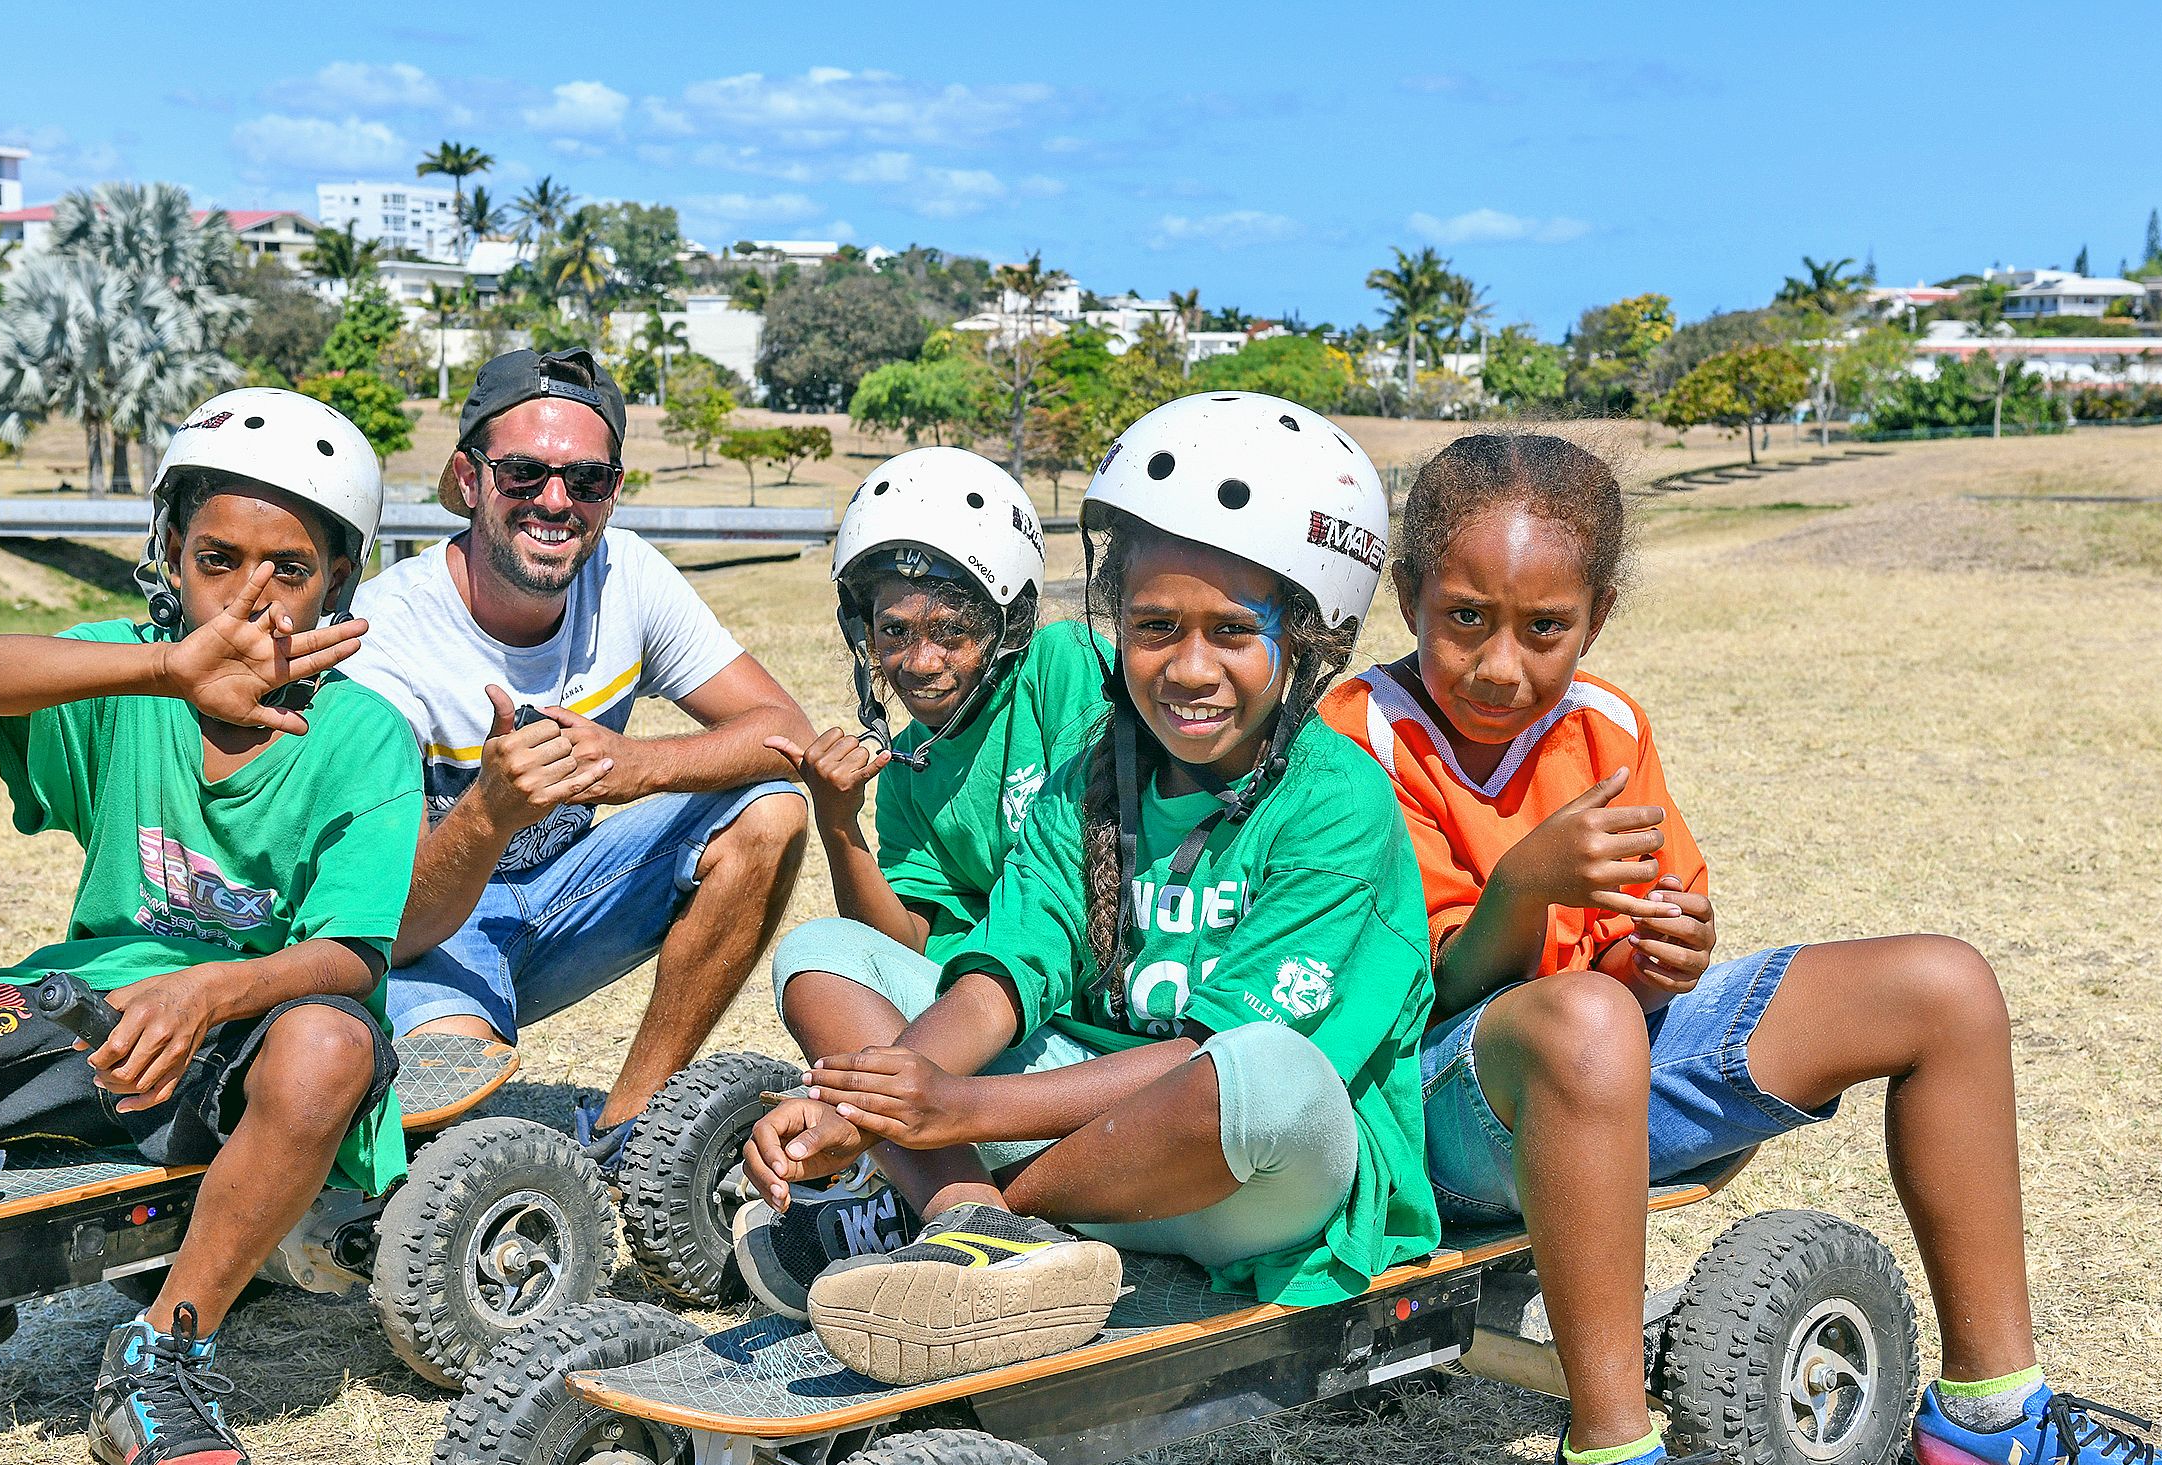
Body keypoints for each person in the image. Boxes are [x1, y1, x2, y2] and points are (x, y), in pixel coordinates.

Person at [1317, 431, 2162, 1465]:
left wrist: (1670, 952)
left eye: (1542, 627)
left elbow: (1639, 948)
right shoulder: (1358, 733)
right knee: (1589, 1021)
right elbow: (1403, 1001)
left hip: (1595, 1056)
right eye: (1464, 619)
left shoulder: (1605, 725)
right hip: (1436, 1112)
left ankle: (1994, 1414)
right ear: (1407, 596)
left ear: (1595, 616)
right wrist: (1528, 893)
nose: (1501, 664)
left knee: (1944, 986)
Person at [742, 392, 1440, 1385]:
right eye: (1154, 625)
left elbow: (1216, 1057)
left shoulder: (1339, 802)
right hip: (1080, 1121)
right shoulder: (1092, 774)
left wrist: (949, 1110)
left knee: (1268, 1073)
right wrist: (867, 1098)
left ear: (1313, 640)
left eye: (1233, 631)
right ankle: (971, 1229)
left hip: (1244, 1181)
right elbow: (1002, 976)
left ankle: (979, 1214)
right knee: (825, 955)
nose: (1187, 668)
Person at [0, 388, 423, 1465]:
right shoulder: (129, 667)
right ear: (166, 550)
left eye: (289, 570)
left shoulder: (362, 733)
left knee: (326, 1046)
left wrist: (206, 988)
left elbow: (349, 953)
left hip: (244, 1037)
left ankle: (162, 1353)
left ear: (342, 580)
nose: (247, 597)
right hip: (84, 1007)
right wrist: (164, 672)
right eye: (215, 557)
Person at [340, 348, 810, 1168]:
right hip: (430, 929)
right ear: (469, 479)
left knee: (769, 807)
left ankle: (633, 1135)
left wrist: (635, 766)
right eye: (523, 474)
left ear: (613, 492)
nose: (555, 502)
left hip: (566, 896)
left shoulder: (630, 575)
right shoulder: (386, 631)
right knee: (446, 1119)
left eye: (585, 481)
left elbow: (787, 734)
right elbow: (394, 922)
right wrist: (488, 811)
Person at [727, 448, 1110, 1300]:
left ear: (1004, 628)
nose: (919, 662)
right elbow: (902, 942)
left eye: (951, 632)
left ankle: (897, 1193)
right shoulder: (908, 763)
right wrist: (837, 822)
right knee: (817, 953)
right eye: (893, 631)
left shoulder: (1057, 670)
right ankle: (969, 1216)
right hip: (981, 1036)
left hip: (1087, 1039)